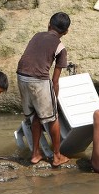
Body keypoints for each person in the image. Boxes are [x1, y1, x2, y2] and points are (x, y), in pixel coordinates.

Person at [16, 12, 71, 167]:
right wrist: (55, 100)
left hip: (21, 76)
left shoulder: (37, 35)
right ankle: (57, 156)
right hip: (39, 80)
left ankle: (35, 154)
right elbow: (55, 80)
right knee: (53, 118)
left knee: (35, 116)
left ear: (49, 25)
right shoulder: (61, 48)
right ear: (66, 32)